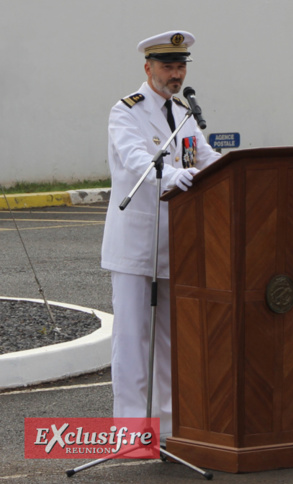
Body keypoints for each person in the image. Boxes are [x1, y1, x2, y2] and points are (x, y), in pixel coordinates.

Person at [100, 31, 221, 438]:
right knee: (133, 341)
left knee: (171, 344)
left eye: (181, 66)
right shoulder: (126, 111)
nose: (176, 73)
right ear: (148, 67)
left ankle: (169, 431)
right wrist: (172, 174)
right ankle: (134, 435)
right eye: (168, 66)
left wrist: (237, 170)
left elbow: (207, 160)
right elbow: (136, 159)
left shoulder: (185, 113)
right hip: (137, 245)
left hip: (178, 244)